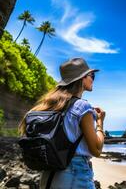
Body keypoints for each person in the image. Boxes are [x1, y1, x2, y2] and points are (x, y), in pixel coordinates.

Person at [18, 57, 106, 189]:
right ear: (82, 78)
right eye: (91, 75)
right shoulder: (82, 107)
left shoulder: (48, 106)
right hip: (76, 175)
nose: (93, 79)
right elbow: (97, 150)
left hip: (49, 175)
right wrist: (100, 122)